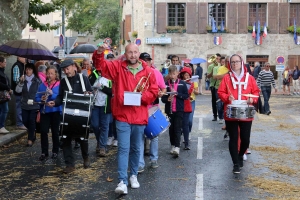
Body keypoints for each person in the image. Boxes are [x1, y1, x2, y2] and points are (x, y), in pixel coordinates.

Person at [93, 43, 158, 195]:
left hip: (139, 116)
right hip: (122, 115)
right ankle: (122, 180)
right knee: (123, 148)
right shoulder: (118, 67)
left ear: (139, 53)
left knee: (136, 148)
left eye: (135, 52)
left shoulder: (148, 71)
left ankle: (133, 175)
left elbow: (154, 91)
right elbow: (101, 66)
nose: (133, 55)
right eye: (130, 52)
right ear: (125, 54)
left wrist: (141, 97)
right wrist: (99, 53)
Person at [47, 59, 93, 174]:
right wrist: (55, 102)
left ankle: (85, 157)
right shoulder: (63, 82)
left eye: (67, 69)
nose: (66, 71)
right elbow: (60, 96)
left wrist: (89, 94)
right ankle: (70, 164)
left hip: (82, 114)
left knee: (83, 138)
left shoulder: (84, 78)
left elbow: (91, 92)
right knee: (65, 138)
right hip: (68, 114)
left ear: (74, 67)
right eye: (64, 70)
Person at [218, 54, 260, 174]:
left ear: (241, 62)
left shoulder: (250, 78)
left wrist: (253, 99)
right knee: (233, 138)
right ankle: (235, 163)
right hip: (231, 112)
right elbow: (220, 92)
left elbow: (256, 92)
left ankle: (241, 155)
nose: (235, 64)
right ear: (230, 64)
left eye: (236, 61)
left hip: (246, 113)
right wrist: (227, 97)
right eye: (232, 62)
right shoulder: (226, 78)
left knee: (245, 140)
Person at [138, 52, 166, 172]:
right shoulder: (135, 74)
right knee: (139, 137)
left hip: (153, 107)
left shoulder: (156, 72)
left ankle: (153, 159)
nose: (146, 62)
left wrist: (161, 92)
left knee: (154, 136)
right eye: (144, 60)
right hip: (139, 108)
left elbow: (163, 87)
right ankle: (140, 163)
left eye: (148, 60)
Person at [161, 65, 189, 155]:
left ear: (177, 73)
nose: (173, 76)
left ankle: (177, 147)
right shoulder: (166, 84)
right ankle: (172, 145)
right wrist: (167, 99)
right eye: (171, 74)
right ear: (169, 74)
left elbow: (186, 96)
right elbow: (162, 98)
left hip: (179, 109)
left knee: (177, 128)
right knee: (171, 129)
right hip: (169, 110)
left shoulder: (182, 83)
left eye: (174, 74)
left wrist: (178, 94)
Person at [36, 66, 61, 160]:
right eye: (48, 73)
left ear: (55, 75)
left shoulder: (59, 84)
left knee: (55, 131)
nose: (49, 75)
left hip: (55, 110)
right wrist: (41, 99)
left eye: (52, 73)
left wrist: (52, 94)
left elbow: (61, 97)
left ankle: (55, 151)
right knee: (43, 131)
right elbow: (36, 97)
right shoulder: (43, 85)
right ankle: (44, 152)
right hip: (45, 110)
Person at [18, 63, 41, 146]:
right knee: (25, 121)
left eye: (30, 69)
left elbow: (41, 91)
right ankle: (33, 130)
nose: (28, 71)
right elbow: (17, 91)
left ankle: (30, 139)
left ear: (33, 70)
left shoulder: (37, 80)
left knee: (31, 120)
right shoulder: (22, 79)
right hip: (25, 104)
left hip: (34, 104)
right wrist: (21, 82)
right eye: (27, 69)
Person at [90, 68, 112, 157]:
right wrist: (93, 89)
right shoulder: (94, 74)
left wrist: (102, 87)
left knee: (104, 126)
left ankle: (102, 146)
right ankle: (100, 141)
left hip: (105, 105)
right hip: (95, 104)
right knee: (94, 125)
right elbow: (88, 85)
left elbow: (112, 91)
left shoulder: (111, 76)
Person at [178, 67, 197, 150]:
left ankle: (186, 143)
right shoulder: (178, 82)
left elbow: (188, 93)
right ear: (182, 75)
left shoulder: (191, 84)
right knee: (178, 125)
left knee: (186, 124)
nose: (186, 77)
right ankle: (176, 143)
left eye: (188, 75)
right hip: (178, 105)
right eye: (185, 75)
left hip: (187, 105)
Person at [11, 57, 27, 130]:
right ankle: (19, 123)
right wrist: (22, 80)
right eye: (23, 57)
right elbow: (16, 80)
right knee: (19, 107)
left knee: (21, 107)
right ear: (19, 57)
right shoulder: (17, 65)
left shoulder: (22, 65)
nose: (25, 58)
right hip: (18, 90)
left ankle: (21, 122)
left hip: (21, 90)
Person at [0, 57, 13, 133]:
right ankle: (1, 126)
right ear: (0, 63)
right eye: (4, 62)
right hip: (2, 94)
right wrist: (8, 88)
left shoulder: (2, 71)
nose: (6, 63)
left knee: (2, 110)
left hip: (3, 93)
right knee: (5, 109)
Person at [207, 53, 221, 121]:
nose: (217, 60)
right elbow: (208, 76)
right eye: (216, 59)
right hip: (213, 85)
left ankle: (220, 115)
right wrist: (213, 70)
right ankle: (215, 115)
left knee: (220, 101)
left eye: (219, 59)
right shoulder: (210, 66)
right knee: (214, 101)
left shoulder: (221, 66)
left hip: (220, 85)